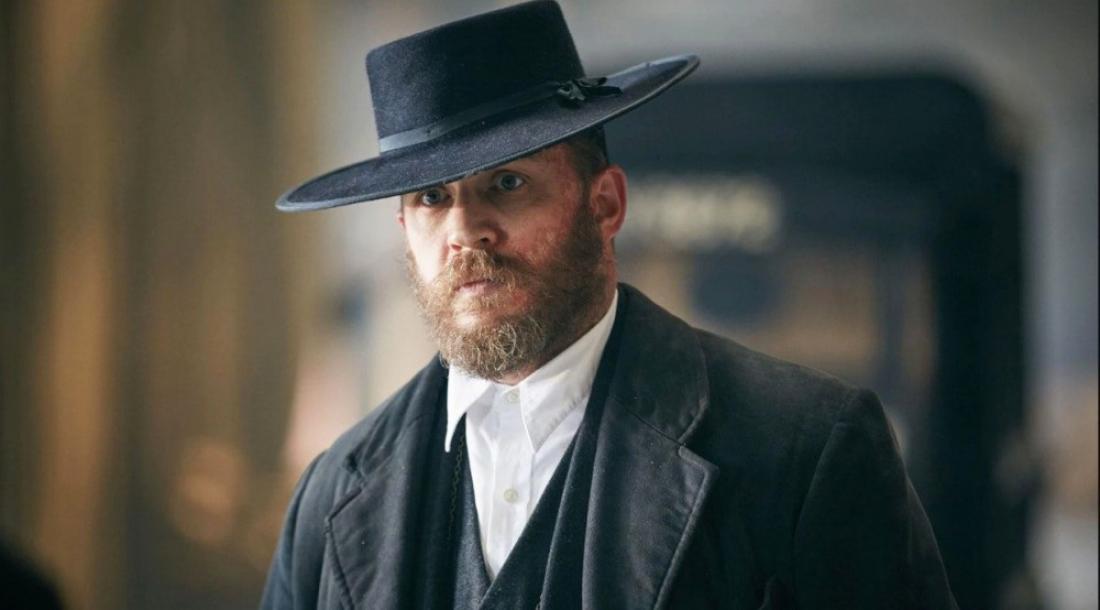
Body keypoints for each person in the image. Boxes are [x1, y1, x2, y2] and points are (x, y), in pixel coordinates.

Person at [261, 1, 958, 608]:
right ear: (405, 230)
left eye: (507, 183)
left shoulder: (806, 450)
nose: (466, 230)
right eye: (431, 197)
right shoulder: (332, 495)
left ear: (605, 204)